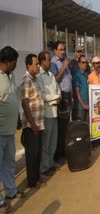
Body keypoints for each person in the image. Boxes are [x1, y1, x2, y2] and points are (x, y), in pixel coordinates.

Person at [0, 46, 26, 213]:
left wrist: (17, 118)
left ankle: (10, 191)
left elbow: (14, 99)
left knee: (9, 164)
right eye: (15, 62)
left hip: (9, 130)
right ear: (7, 62)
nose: (16, 65)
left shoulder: (12, 75)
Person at [21, 54, 46, 189]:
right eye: (35, 64)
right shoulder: (26, 80)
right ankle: (32, 181)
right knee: (32, 154)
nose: (38, 66)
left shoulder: (35, 80)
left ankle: (36, 177)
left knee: (37, 152)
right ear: (28, 66)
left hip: (38, 123)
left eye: (38, 64)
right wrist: (33, 124)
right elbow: (25, 104)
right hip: (32, 126)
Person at [37, 51, 61, 177]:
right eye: (47, 60)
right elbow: (42, 94)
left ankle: (50, 164)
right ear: (41, 62)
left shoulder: (51, 75)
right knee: (45, 143)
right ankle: (44, 167)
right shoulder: (39, 76)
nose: (49, 62)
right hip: (46, 113)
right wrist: (55, 97)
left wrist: (58, 96)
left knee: (53, 141)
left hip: (54, 112)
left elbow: (57, 89)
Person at [51, 41, 72, 162]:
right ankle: (58, 155)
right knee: (60, 127)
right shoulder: (54, 63)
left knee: (66, 126)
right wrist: (64, 66)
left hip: (68, 95)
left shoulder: (65, 61)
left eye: (64, 49)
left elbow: (69, 79)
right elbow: (55, 80)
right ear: (55, 51)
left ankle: (63, 151)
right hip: (61, 96)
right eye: (60, 49)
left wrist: (71, 97)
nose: (63, 51)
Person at [72, 55, 89, 122]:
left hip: (87, 105)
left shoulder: (86, 75)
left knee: (87, 127)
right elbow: (77, 93)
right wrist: (83, 105)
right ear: (79, 64)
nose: (85, 64)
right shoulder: (77, 75)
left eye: (86, 62)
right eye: (83, 62)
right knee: (80, 127)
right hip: (80, 107)